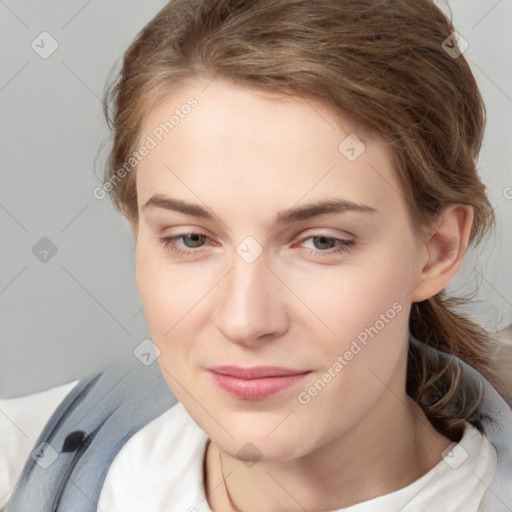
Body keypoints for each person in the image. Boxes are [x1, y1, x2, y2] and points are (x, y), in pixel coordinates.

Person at [1, 0, 512, 510]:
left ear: (437, 251)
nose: (245, 321)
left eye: (322, 241)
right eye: (191, 239)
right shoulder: (21, 462)